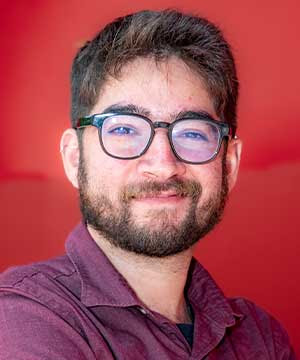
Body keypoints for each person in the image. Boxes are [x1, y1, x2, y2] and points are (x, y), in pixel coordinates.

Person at [0, 9, 296, 359]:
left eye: (191, 133)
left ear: (228, 164)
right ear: (74, 157)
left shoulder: (262, 338)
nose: (162, 166)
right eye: (124, 129)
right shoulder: (24, 319)